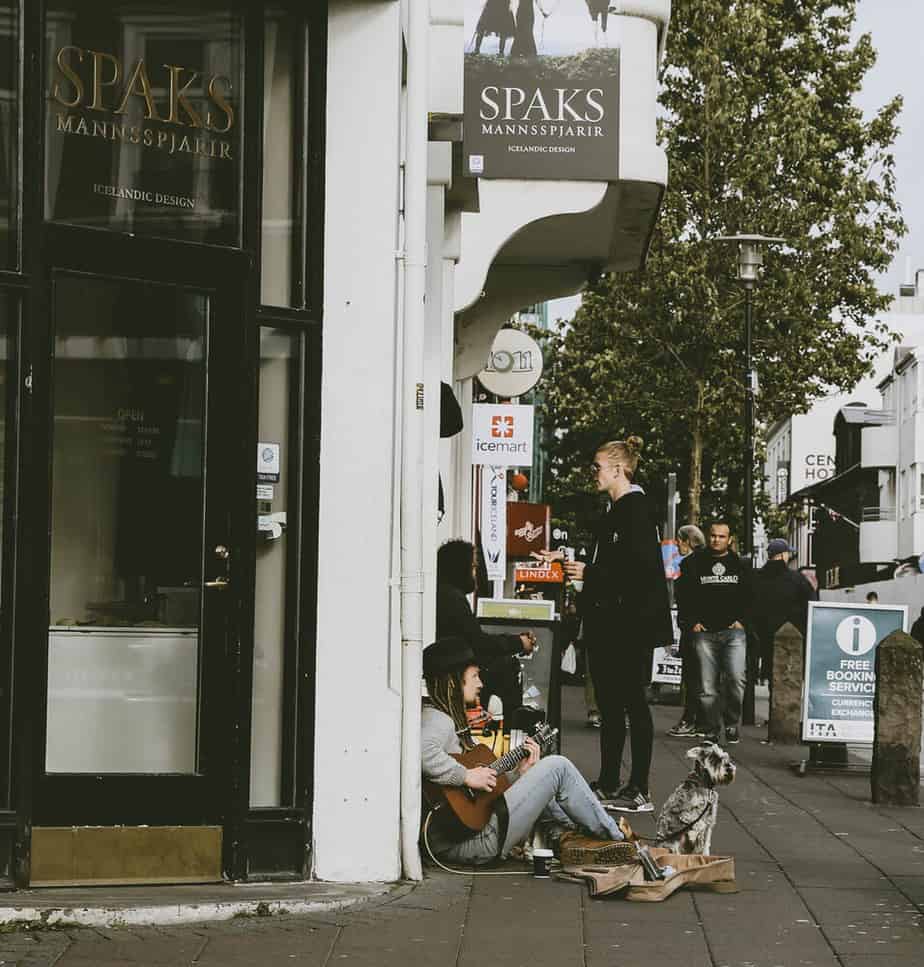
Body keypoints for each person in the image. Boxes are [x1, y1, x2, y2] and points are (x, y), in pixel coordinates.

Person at [541, 437, 672, 813]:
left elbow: (639, 571)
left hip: (628, 625)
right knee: (612, 705)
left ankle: (639, 787)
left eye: (597, 467)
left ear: (617, 469)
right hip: (609, 623)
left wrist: (590, 572)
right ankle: (612, 779)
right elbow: (613, 563)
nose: (592, 473)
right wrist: (570, 560)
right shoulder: (617, 511)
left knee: (631, 702)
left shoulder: (637, 510)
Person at [420, 636, 626, 865]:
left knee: (540, 772)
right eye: (474, 676)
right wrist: (466, 776)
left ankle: (570, 838)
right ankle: (617, 837)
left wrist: (521, 774)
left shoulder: (443, 718)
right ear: (452, 682)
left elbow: (481, 797)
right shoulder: (437, 719)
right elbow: (423, 753)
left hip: (469, 836)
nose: (481, 684)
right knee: (557, 766)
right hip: (469, 843)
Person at [436, 539, 534, 717]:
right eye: (472, 567)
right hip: (452, 672)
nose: (475, 573)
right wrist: (518, 643)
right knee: (508, 667)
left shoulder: (447, 595)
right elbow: (479, 643)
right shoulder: (453, 599)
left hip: (449, 668)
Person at [675, 520, 751, 745]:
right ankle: (710, 728)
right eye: (713, 536)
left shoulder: (741, 565)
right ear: (708, 537)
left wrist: (742, 622)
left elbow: (752, 596)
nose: (716, 540)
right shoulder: (693, 563)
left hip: (733, 632)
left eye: (722, 536)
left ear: (730, 540)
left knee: (737, 680)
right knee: (706, 686)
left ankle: (730, 722)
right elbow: (683, 595)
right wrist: (691, 623)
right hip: (703, 632)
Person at [751, 538, 816, 685]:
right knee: (784, 684)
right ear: (782, 555)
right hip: (789, 639)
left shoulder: (755, 577)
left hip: (761, 638)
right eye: (787, 553)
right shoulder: (797, 579)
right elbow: (811, 604)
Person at [666, 524, 706, 738]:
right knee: (704, 677)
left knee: (692, 676)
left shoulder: (690, 564)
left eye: (680, 541)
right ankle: (703, 721)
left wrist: (690, 621)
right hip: (705, 627)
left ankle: (690, 719)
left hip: (693, 627)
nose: (678, 546)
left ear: (688, 541)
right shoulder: (708, 560)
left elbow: (688, 596)